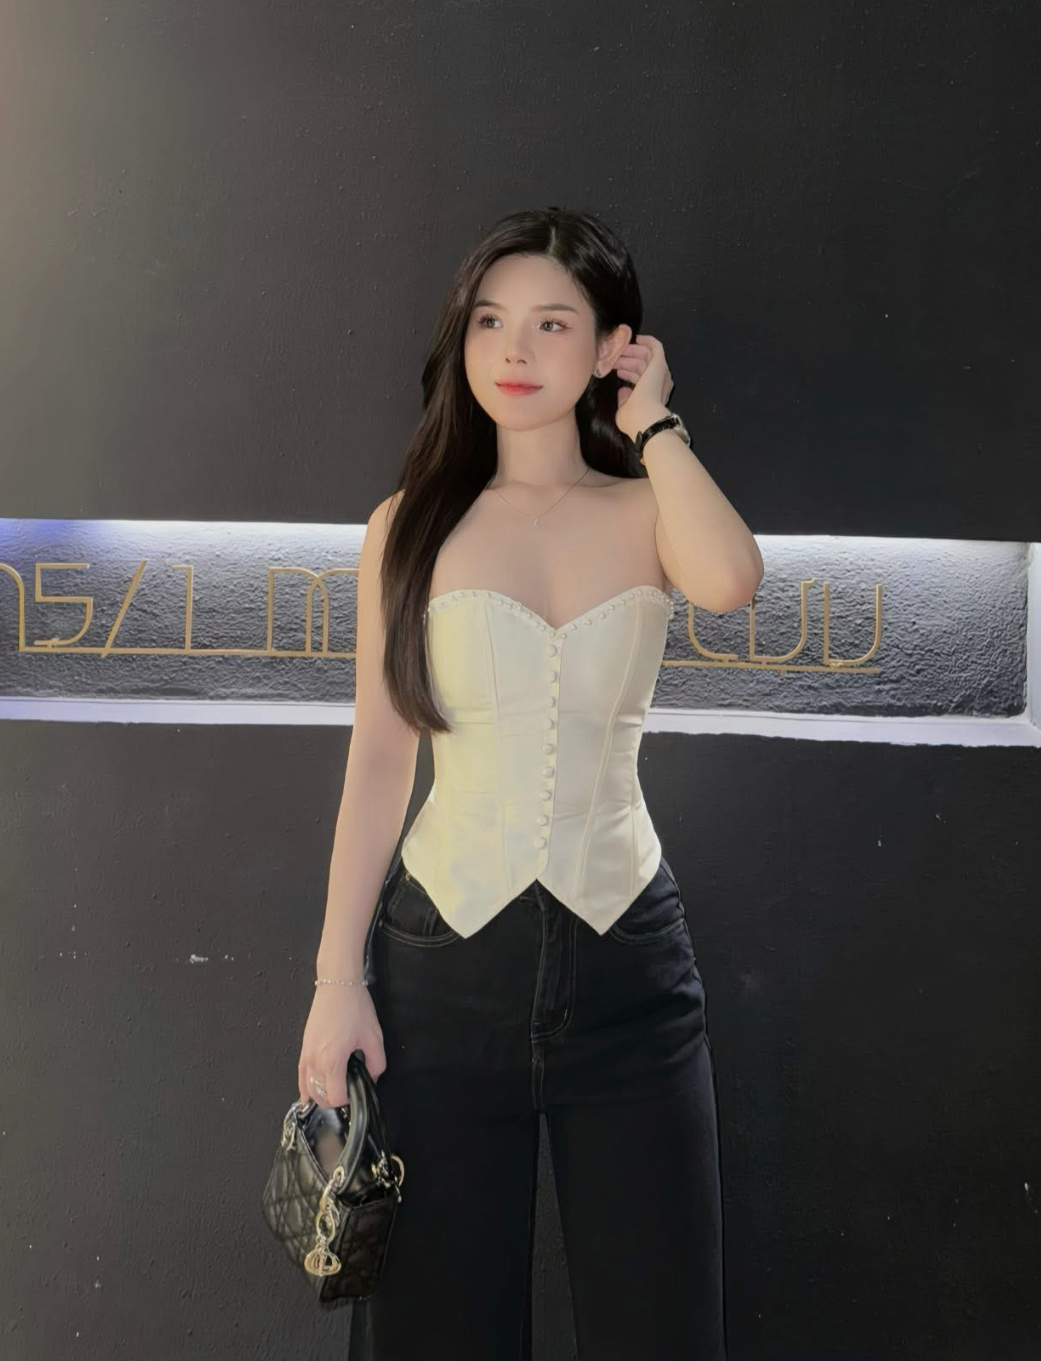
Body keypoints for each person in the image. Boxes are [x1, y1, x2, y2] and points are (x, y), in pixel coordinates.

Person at [297, 206, 763, 1359]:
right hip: (439, 965)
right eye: (489, 321)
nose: (512, 349)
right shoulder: (407, 526)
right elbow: (378, 759)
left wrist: (653, 424)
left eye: (552, 323)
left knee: (662, 1323)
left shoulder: (649, 506)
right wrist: (334, 981)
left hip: (629, 962)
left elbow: (728, 579)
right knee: (431, 1329)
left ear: (610, 345)